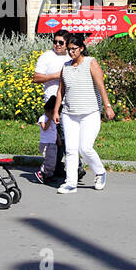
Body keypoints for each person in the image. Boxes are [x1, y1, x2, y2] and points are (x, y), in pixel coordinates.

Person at [50, 32, 115, 194]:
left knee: (85, 148)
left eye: (74, 49)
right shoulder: (65, 66)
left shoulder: (90, 62)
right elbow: (60, 91)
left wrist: (107, 106)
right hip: (69, 113)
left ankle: (100, 172)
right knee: (71, 149)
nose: (71, 52)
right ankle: (71, 183)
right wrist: (56, 110)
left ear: (82, 48)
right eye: (69, 49)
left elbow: (101, 86)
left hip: (90, 112)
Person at [32, 34, 71, 181]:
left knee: (66, 136)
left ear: (67, 43)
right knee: (57, 137)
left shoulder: (71, 55)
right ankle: (53, 168)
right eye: (55, 42)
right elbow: (36, 78)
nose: (57, 45)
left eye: (61, 42)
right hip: (53, 102)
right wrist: (56, 75)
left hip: (70, 102)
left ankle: (60, 167)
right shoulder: (46, 57)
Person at [36, 97, 58, 182]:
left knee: (53, 161)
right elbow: (44, 128)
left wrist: (58, 140)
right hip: (45, 143)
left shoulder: (53, 119)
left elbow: (55, 130)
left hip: (52, 142)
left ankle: (48, 175)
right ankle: (41, 173)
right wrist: (49, 119)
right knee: (49, 160)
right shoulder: (43, 118)